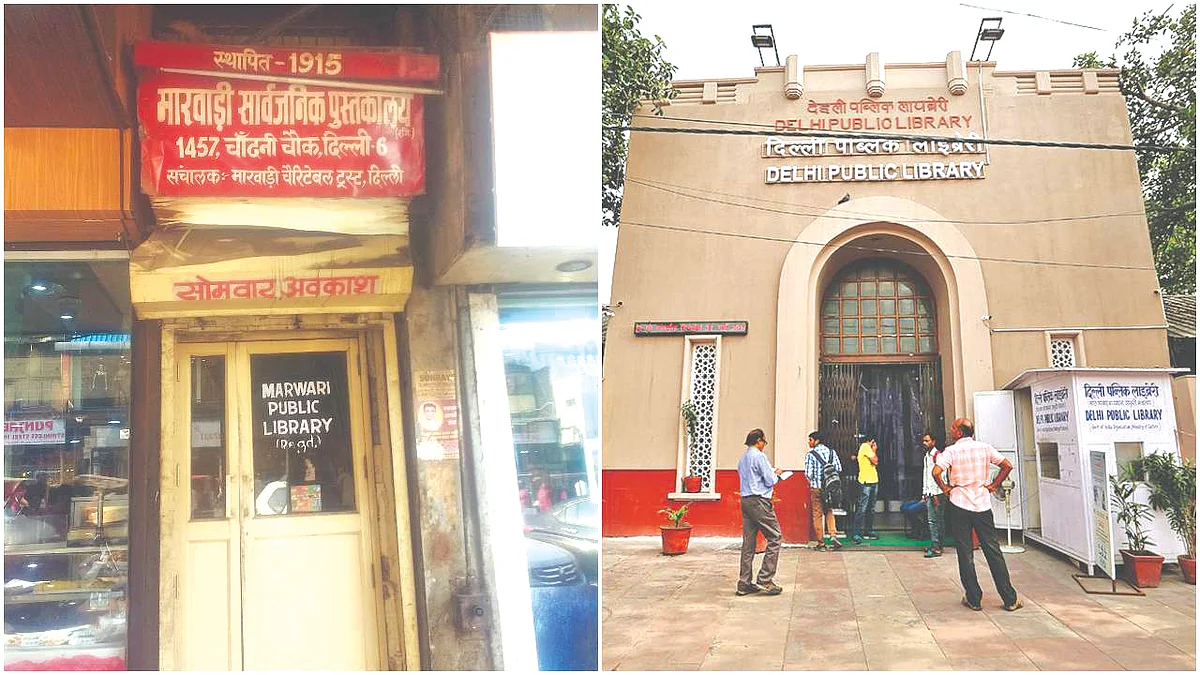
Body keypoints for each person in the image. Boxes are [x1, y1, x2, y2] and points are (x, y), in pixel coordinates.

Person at [932, 418, 1022, 612]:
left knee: (965, 553)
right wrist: (994, 485)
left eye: (953, 428)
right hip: (982, 503)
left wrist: (945, 488)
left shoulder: (951, 451)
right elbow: (1007, 465)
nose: (951, 430)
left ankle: (974, 598)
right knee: (993, 550)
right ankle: (1009, 598)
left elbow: (936, 471)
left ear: (959, 432)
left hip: (959, 503)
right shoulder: (985, 448)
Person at [736, 428, 784, 596]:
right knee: (775, 537)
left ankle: (744, 583)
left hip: (746, 500)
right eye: (764, 441)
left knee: (748, 543)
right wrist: (777, 474)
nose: (764, 444)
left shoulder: (743, 459)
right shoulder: (759, 456)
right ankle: (765, 578)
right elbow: (770, 480)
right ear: (758, 441)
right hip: (759, 501)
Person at [804, 430, 843, 551]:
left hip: (816, 488)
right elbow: (839, 469)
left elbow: (809, 474)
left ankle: (821, 543)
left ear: (817, 441)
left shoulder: (811, 455)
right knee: (829, 511)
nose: (809, 442)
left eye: (810, 440)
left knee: (817, 514)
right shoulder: (832, 452)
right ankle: (833, 535)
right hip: (829, 488)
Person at [851, 434, 880, 544]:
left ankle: (868, 530)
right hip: (866, 482)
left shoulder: (866, 448)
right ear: (871, 441)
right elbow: (875, 461)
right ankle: (856, 532)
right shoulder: (865, 447)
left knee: (871, 508)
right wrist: (874, 450)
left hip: (873, 481)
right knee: (862, 508)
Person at [920, 432, 946, 558]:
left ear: (933, 442)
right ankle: (937, 544)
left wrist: (935, 494)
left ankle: (937, 547)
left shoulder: (938, 456)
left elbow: (940, 476)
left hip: (937, 493)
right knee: (933, 520)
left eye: (927, 441)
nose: (924, 443)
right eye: (924, 441)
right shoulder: (927, 456)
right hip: (930, 493)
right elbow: (926, 475)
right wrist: (924, 492)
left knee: (936, 520)